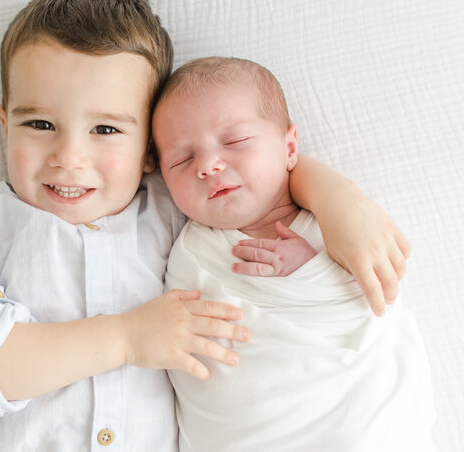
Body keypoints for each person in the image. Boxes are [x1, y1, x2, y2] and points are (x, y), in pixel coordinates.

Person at [0, 0, 413, 451]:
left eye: (106, 130)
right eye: (40, 124)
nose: (68, 156)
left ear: (151, 151)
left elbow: (258, 180)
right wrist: (127, 337)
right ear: (5, 125)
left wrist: (340, 202)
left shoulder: (175, 213)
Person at [153, 56, 434, 452]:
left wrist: (312, 272)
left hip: (355, 423)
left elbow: (376, 300)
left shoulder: (330, 226)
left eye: (233, 142)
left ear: (289, 147)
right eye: (182, 159)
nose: (208, 166)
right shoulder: (189, 251)